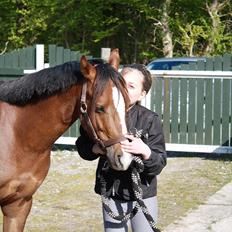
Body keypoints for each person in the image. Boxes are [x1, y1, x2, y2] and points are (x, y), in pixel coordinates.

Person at [75, 64, 167, 232]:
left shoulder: (149, 120)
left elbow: (159, 162)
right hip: (112, 193)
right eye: (121, 83)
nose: (125, 89)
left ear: (142, 94)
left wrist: (145, 151)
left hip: (143, 194)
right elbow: (82, 145)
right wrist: (95, 149)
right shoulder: (101, 114)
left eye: (132, 86)